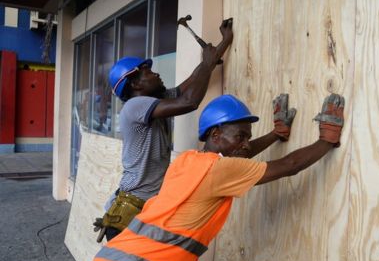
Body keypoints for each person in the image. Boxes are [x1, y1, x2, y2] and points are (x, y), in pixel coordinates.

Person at [64, 93, 345, 261]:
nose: (246, 143)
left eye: (248, 137)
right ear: (215, 134)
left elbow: (242, 157)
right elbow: (290, 165)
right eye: (241, 136)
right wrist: (327, 139)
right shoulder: (219, 170)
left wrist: (275, 134)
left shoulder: (187, 160)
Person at [93, 19, 294, 242]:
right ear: (135, 85)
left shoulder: (158, 101)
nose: (156, 74)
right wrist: (208, 63)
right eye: (148, 72)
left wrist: (223, 43)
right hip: (131, 214)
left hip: (148, 209)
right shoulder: (134, 107)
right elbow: (189, 101)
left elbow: (194, 80)